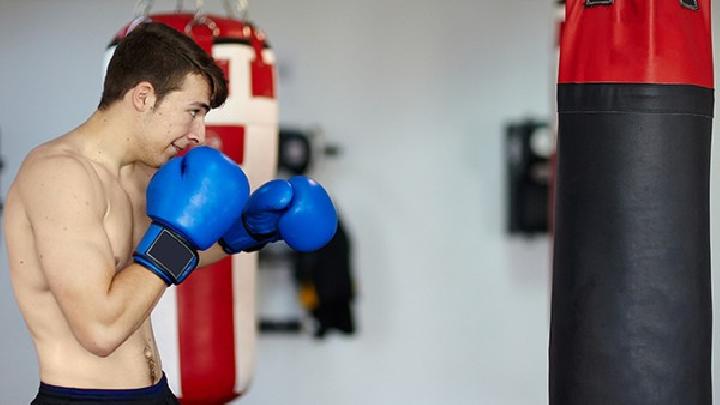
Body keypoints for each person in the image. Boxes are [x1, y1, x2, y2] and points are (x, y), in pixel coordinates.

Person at [3, 22, 337, 404]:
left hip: (157, 393)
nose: (199, 133)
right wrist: (177, 234)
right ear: (144, 96)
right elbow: (100, 330)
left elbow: (163, 257)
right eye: (193, 111)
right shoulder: (60, 175)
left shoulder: (139, 174)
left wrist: (244, 232)